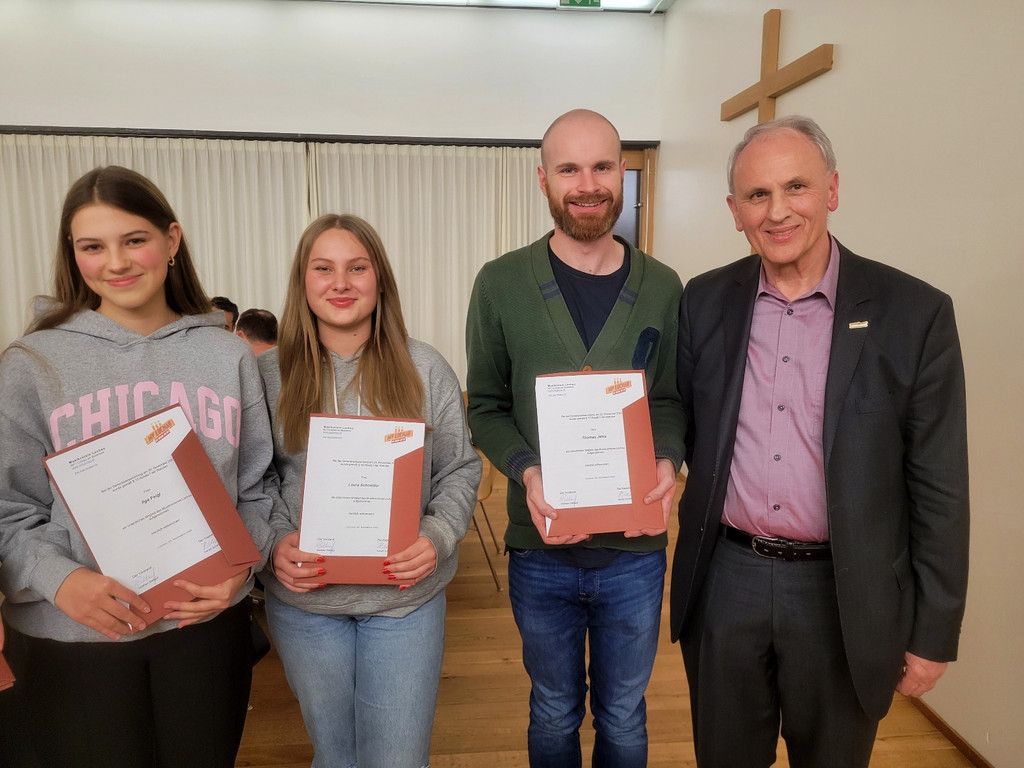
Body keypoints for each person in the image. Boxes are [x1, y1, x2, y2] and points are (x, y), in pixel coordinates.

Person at [669, 116, 970, 767]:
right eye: (757, 195)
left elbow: (941, 488)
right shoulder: (704, 300)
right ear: (735, 211)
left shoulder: (915, 314)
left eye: (796, 187)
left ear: (831, 190)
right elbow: (684, 422)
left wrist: (933, 631)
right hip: (726, 579)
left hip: (845, 593)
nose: (778, 211)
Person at [0, 166, 275, 767]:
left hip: (202, 631)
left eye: (134, 240)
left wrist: (241, 567)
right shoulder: (31, 363)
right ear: (72, 255)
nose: (117, 262)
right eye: (92, 247)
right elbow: (7, 509)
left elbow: (258, 489)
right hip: (73, 637)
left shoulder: (226, 356)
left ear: (171, 240)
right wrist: (58, 579)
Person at [465, 109, 685, 767]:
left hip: (635, 551)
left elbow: (670, 400)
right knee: (554, 708)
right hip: (541, 550)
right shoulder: (500, 284)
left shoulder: (664, 287)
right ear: (543, 179)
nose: (587, 184)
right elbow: (486, 407)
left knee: (623, 714)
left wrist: (668, 458)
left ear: (621, 174)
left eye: (601, 166)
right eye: (569, 169)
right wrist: (527, 469)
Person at [258, 213, 480, 768]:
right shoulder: (266, 374)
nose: (341, 283)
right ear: (302, 280)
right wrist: (274, 541)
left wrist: (437, 535)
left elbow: (458, 467)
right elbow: (253, 479)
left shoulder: (425, 367)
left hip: (404, 600)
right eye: (323, 268)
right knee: (335, 757)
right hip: (307, 602)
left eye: (357, 268)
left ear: (380, 278)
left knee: (398, 759)